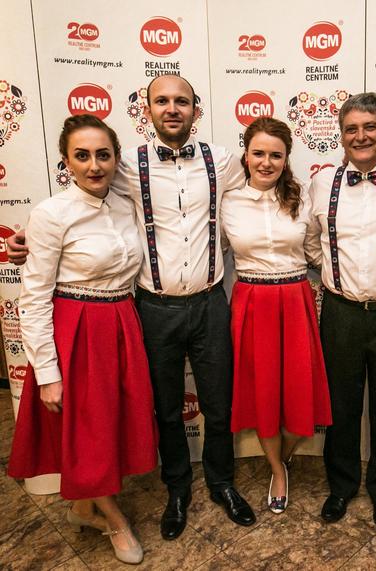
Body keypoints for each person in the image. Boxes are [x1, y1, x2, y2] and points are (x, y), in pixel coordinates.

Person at [7, 74, 256, 540]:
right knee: (166, 408)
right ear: (148, 110)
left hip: (209, 304)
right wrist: (26, 240)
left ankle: (222, 483)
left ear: (195, 109)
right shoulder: (123, 167)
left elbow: (260, 193)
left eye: (181, 101)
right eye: (162, 101)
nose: (172, 108)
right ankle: (177, 489)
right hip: (153, 310)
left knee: (219, 404)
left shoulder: (223, 161)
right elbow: (78, 201)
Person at [7, 114, 158, 564]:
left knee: (111, 426)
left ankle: (84, 508)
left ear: (116, 159)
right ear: (66, 161)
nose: (94, 165)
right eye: (82, 155)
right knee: (88, 431)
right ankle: (114, 520)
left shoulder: (126, 203)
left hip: (122, 322)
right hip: (77, 332)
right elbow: (34, 298)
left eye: (103, 155)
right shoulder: (50, 214)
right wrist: (48, 374)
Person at [306, 92, 376, 531]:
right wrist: (336, 273)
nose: (361, 136)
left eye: (370, 127)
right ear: (341, 135)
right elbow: (311, 241)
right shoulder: (322, 183)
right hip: (341, 312)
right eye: (351, 128)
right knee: (341, 406)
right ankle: (341, 486)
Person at [221, 117, 331, 514]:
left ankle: (284, 456)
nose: (266, 162)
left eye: (276, 155)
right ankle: (277, 470)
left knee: (301, 390)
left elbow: (316, 251)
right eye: (259, 153)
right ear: (246, 156)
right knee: (264, 393)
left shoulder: (301, 199)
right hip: (252, 303)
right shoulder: (228, 202)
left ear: (286, 159)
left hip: (296, 300)